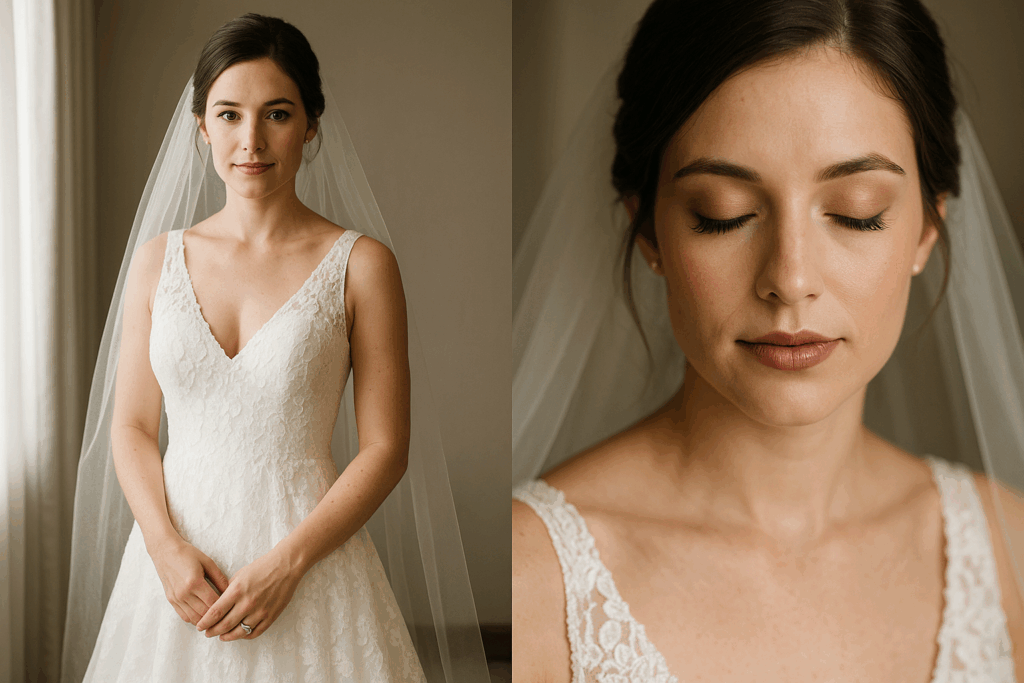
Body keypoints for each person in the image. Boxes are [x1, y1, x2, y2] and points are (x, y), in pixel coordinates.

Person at [512, 0, 1024, 681]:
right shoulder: (533, 576)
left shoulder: (1008, 548)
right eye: (723, 215)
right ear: (649, 233)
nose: (790, 278)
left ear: (928, 230)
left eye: (856, 214)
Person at [60, 13, 486, 683]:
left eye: (277, 114)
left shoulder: (362, 265)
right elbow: (133, 427)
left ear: (311, 124)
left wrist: (289, 563)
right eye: (229, 115)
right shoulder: (157, 261)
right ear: (201, 126)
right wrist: (164, 548)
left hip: (308, 560)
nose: (250, 140)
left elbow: (385, 448)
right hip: (176, 564)